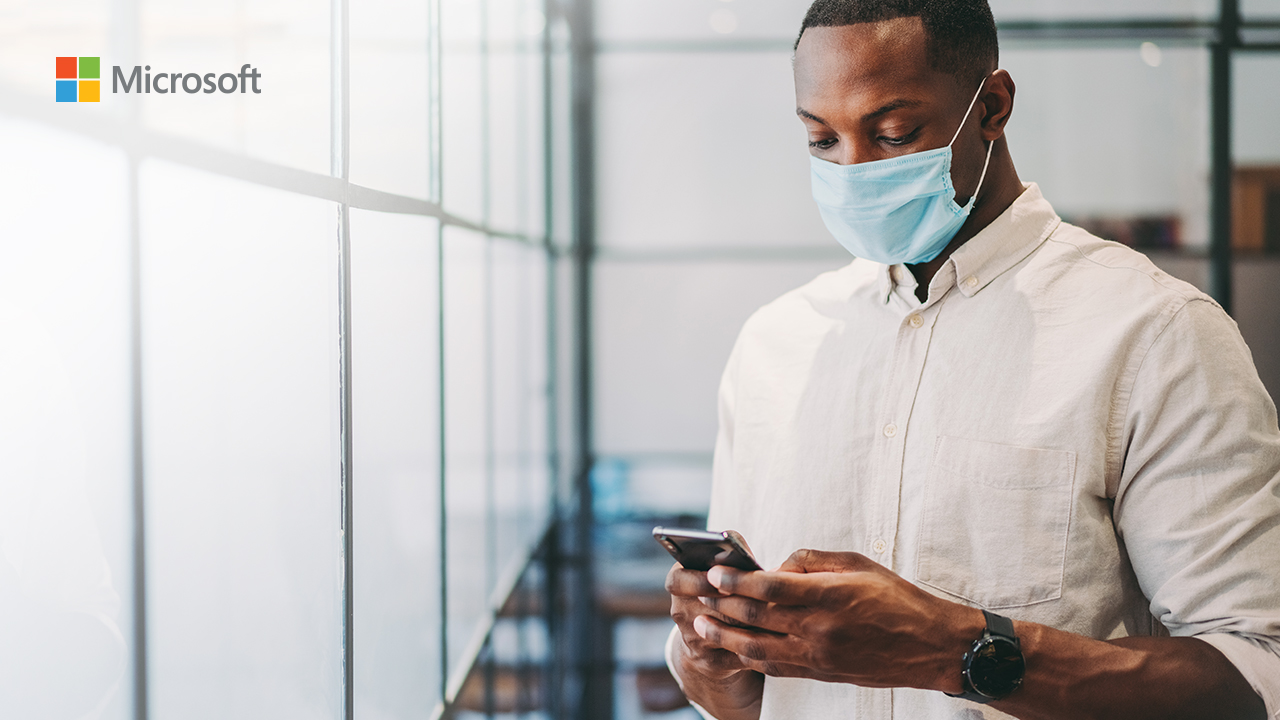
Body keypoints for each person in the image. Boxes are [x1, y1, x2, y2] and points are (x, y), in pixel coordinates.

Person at [663, 1, 1280, 719]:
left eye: (894, 134)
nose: (854, 171)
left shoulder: (1154, 335)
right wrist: (718, 656)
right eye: (822, 140)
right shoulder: (775, 345)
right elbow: (748, 703)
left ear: (991, 106)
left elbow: (1254, 674)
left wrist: (948, 648)